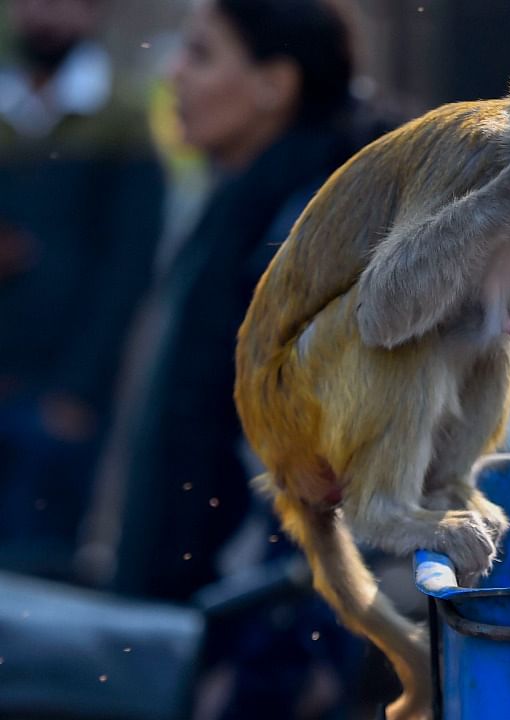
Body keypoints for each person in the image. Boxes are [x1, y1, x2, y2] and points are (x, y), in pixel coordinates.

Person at [75, 1, 390, 715]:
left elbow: (318, 478)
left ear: (273, 85)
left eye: (201, 54)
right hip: (212, 621)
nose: (174, 75)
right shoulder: (240, 204)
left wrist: (269, 664)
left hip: (261, 643)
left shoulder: (311, 238)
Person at [0, 0, 164, 581]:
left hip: (59, 393)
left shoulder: (120, 118)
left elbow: (127, 271)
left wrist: (79, 392)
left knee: (38, 570)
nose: (43, 15)